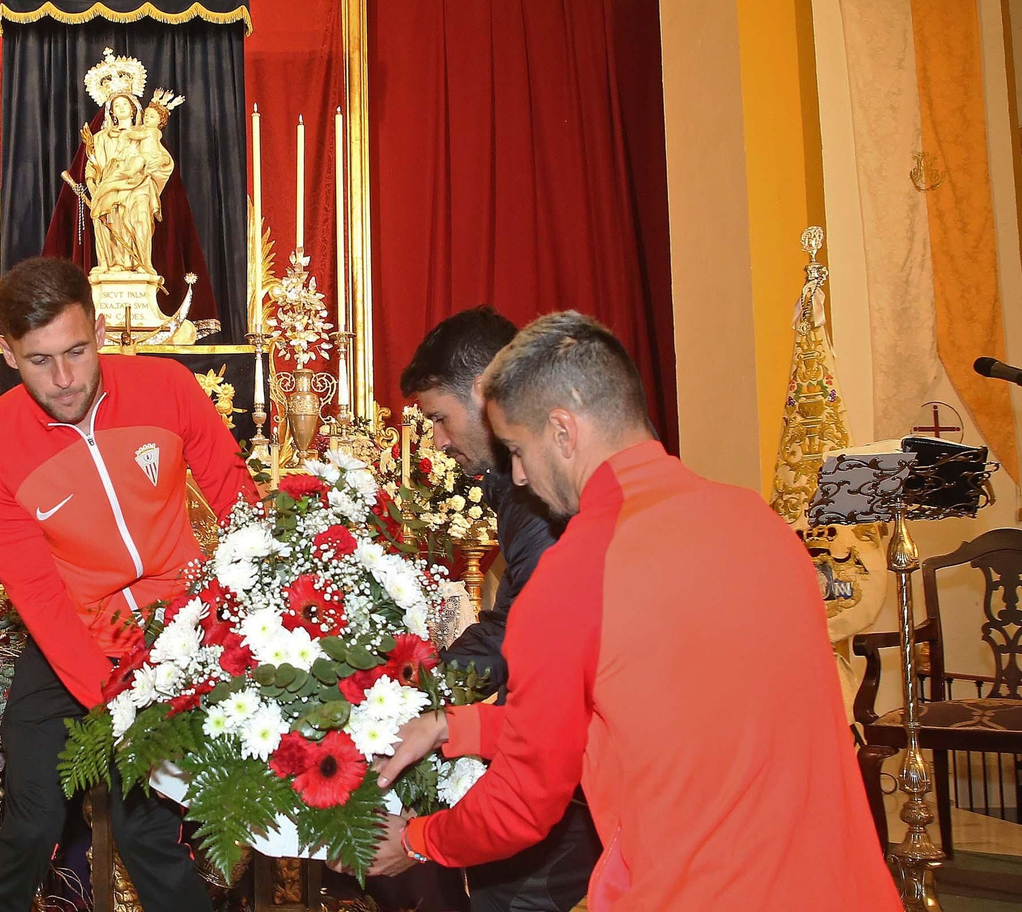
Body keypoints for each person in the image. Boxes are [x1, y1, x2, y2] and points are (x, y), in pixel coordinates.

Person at [369, 311, 899, 911]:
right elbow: (637, 721)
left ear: (563, 433)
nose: (515, 473)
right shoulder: (761, 524)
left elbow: (523, 802)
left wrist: (417, 840)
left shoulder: (576, 574)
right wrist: (452, 727)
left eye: (517, 449)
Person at [0, 257, 256, 912]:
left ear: (98, 329)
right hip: (69, 638)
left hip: (174, 633)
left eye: (77, 350)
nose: (64, 379)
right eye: (39, 361)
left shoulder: (168, 387)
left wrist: (244, 617)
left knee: (142, 826)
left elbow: (241, 505)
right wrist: (114, 699)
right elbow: (37, 593)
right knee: (32, 821)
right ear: (6, 352)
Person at [398, 307, 601, 912]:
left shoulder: (544, 493)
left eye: (440, 418)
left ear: (487, 393)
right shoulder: (522, 486)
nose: (436, 441)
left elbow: (529, 638)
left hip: (570, 787)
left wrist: (427, 696)